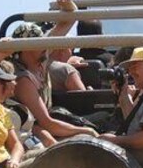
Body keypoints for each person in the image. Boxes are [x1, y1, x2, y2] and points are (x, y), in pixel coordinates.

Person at [11, 17, 98, 146]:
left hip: (50, 125)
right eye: (38, 43)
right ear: (26, 48)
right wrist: (86, 131)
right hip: (34, 131)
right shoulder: (23, 80)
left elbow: (68, 21)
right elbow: (47, 123)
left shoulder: (41, 59)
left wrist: (68, 8)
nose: (45, 46)